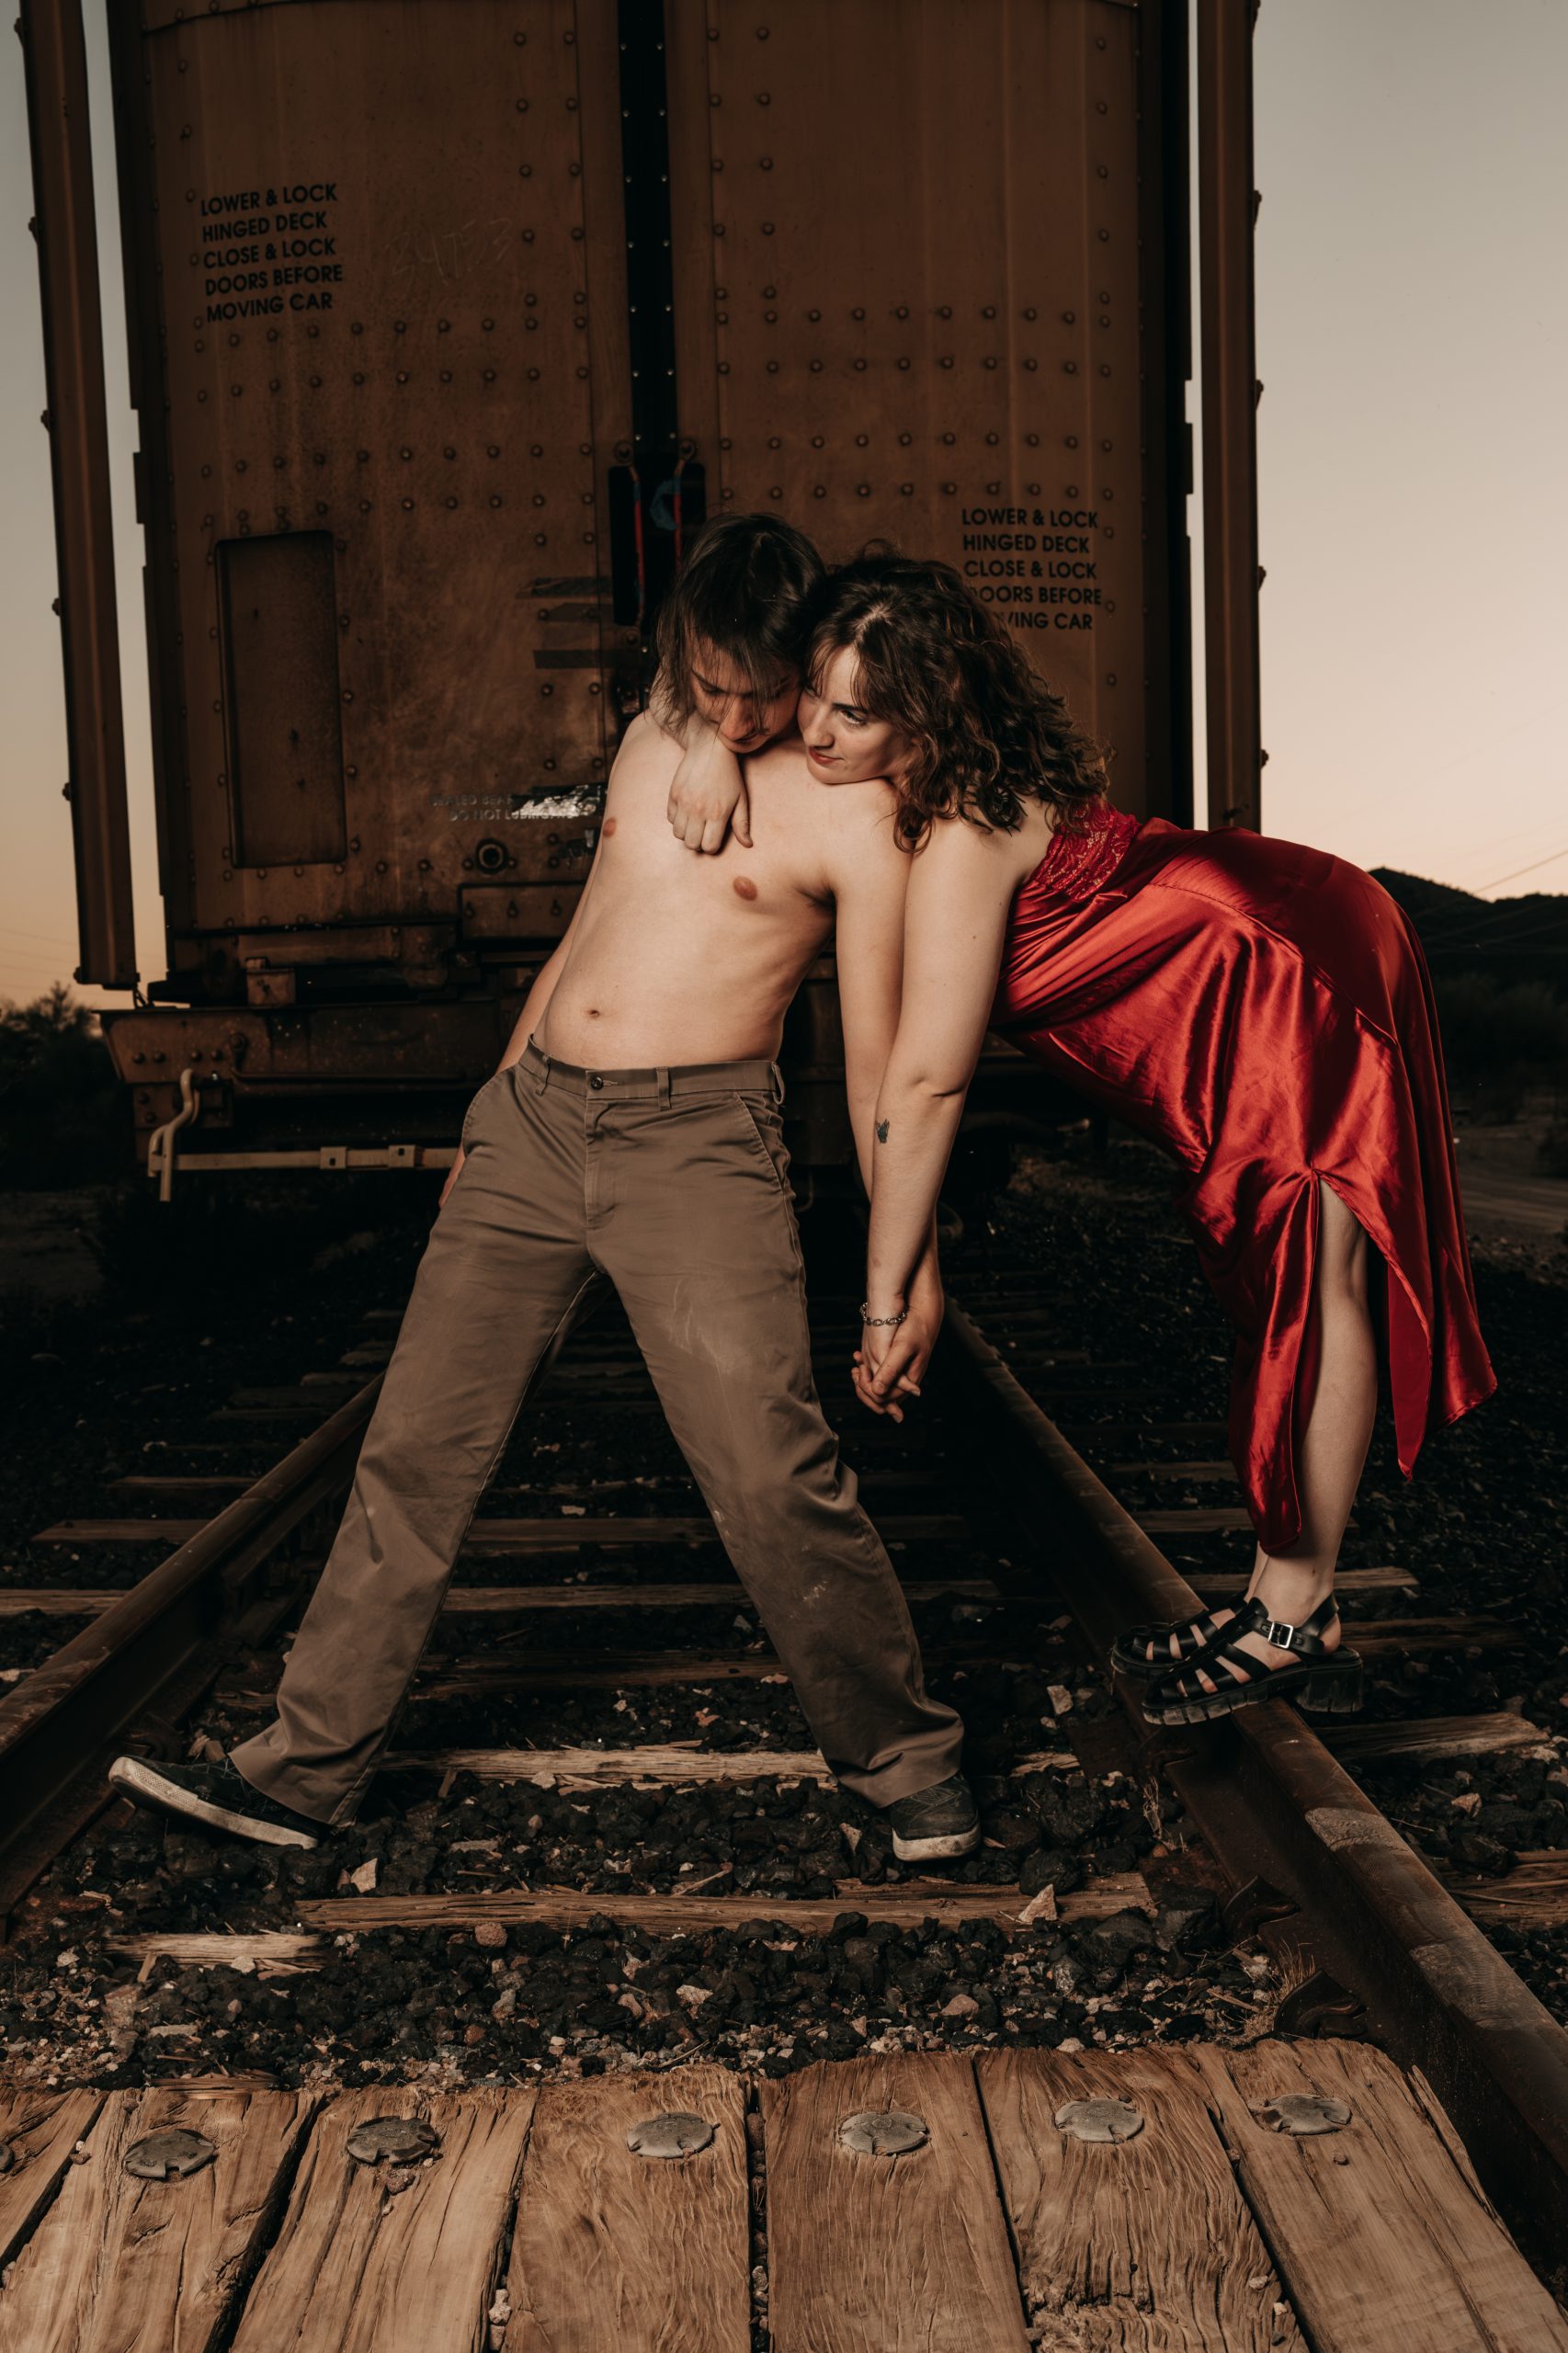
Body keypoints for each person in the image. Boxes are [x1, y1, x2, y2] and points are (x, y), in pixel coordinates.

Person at [108, 517, 976, 1863]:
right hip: (530, 1125)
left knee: (766, 1465)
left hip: (693, 1144)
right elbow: (590, 929)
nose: (744, 716)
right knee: (414, 1448)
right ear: (679, 655)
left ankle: (904, 1761)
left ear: (810, 662)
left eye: (766, 691)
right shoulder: (655, 731)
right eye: (714, 686)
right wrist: (494, 1101)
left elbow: (876, 1066)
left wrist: (903, 1273)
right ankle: (301, 1772)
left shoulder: (859, 813)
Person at [669, 549, 1495, 1727]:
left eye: (854, 710)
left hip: (1286, 971)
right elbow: (711, 667)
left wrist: (883, 1293)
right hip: (1265, 948)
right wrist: (704, 739)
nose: (814, 729)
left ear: (929, 709)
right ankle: (1278, 1596)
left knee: (1311, 1281)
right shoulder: (918, 781)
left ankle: (1296, 1609)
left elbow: (929, 1078)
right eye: (815, 692)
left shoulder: (960, 827)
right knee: (1283, 1282)